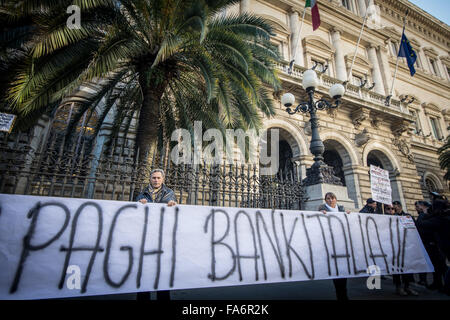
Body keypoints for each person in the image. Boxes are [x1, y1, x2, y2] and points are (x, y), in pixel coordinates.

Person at [136, 169, 176, 301]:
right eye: (154, 178)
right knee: (144, 271)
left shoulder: (169, 193)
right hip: (145, 237)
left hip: (162, 238)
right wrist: (139, 204)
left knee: (162, 272)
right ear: (150, 179)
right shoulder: (142, 194)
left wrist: (172, 205)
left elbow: (173, 211)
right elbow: (134, 213)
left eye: (159, 178)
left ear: (163, 179)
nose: (156, 180)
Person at [318, 192, 351, 300]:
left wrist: (349, 215)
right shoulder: (321, 209)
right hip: (330, 245)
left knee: (343, 270)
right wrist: (320, 214)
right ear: (325, 200)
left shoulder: (341, 209)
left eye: (332, 198)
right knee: (336, 271)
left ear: (336, 199)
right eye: (328, 198)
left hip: (342, 245)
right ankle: (340, 294)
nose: (330, 200)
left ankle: (344, 294)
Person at [416, 195, 450, 295]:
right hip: (440, 246)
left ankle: (446, 287)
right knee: (438, 266)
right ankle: (439, 284)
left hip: (441, 246)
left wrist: (423, 214)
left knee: (442, 267)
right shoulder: (444, 216)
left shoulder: (441, 218)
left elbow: (421, 224)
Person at [391, 201, 419, 296]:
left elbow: (414, 228)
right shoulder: (392, 217)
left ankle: (408, 287)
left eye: (394, 208)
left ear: (399, 207)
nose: (393, 210)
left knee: (408, 267)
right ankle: (398, 287)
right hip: (396, 246)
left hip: (407, 245)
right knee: (397, 268)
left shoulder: (407, 216)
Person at [415, 201, 431, 286]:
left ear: (422, 206)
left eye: (417, 207)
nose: (415, 208)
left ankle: (424, 279)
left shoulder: (423, 215)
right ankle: (423, 279)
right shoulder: (424, 215)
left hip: (426, 242)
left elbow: (419, 226)